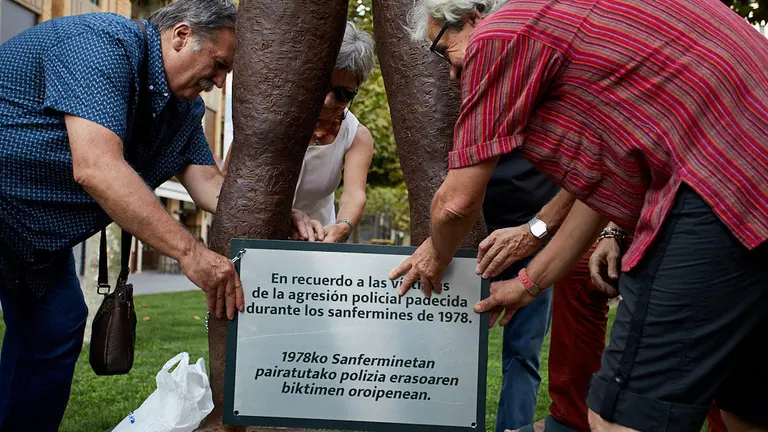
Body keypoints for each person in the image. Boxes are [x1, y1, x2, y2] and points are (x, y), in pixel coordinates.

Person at [395, 0, 768, 431]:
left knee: (616, 418)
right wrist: (529, 282)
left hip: (721, 175)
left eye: (442, 50)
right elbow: (597, 192)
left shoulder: (498, 33)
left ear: (474, 15)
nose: (452, 73)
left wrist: (436, 254)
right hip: (747, 169)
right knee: (745, 411)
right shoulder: (591, 41)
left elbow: (456, 202)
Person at [0, 0, 245, 430]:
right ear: (182, 35)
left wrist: (286, 213)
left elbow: (207, 182)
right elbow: (97, 167)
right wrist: (189, 252)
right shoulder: (102, 44)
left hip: (33, 239)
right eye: (220, 64)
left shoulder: (183, 109)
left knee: (55, 326)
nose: (221, 83)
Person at [225, 22, 375, 245]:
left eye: (343, 94)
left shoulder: (357, 136)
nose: (328, 101)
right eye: (322, 87)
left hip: (316, 240)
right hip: (256, 232)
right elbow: (228, 179)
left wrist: (343, 226)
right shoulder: (270, 118)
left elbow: (354, 194)